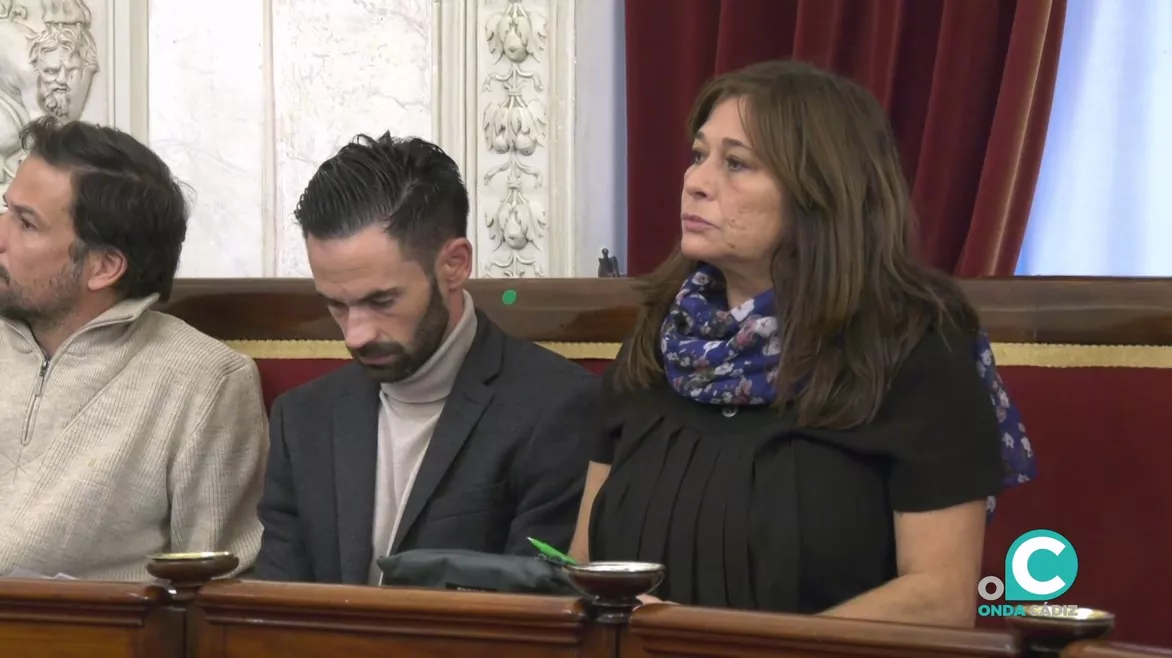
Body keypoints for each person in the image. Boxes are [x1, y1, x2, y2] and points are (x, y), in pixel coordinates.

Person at [568, 60, 1036, 627]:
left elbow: (939, 599)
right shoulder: (661, 340)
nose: (695, 182)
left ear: (821, 192)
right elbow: (585, 562)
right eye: (698, 155)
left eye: (736, 163)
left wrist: (720, 645)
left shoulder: (915, 352)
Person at [254, 133, 599, 585]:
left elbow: (534, 611)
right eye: (336, 305)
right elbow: (274, 607)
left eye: (382, 301)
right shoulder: (302, 419)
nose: (355, 335)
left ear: (454, 265)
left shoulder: (558, 409)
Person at [0, 118, 268, 580]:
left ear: (104, 267)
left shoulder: (205, 382)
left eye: (26, 224)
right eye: (7, 210)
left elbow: (215, 597)